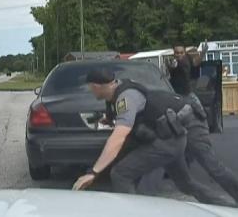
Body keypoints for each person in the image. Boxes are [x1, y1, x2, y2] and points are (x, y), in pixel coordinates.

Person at [72, 69, 229, 205]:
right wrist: (108, 118)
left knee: (120, 173)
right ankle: (226, 207)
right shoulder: (117, 90)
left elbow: (119, 137)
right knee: (185, 183)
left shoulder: (126, 98)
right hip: (172, 138)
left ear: (96, 86)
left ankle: (133, 211)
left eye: (91, 88)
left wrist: (93, 172)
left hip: (165, 142)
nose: (91, 92)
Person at [167, 44, 238, 207]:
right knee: (175, 163)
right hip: (181, 112)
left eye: (181, 53)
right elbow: (190, 63)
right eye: (176, 53)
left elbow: (187, 62)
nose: (178, 55)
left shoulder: (183, 63)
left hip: (191, 115)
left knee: (209, 163)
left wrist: (200, 53)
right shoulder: (180, 64)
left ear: (184, 54)